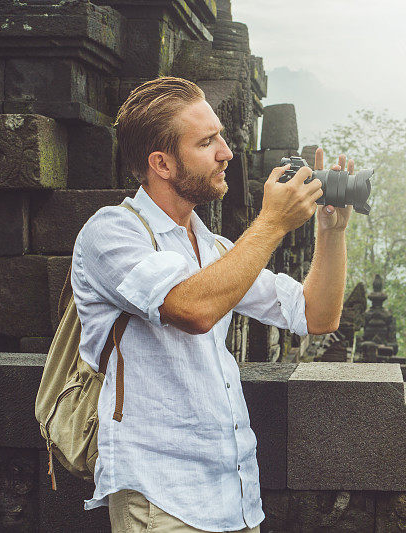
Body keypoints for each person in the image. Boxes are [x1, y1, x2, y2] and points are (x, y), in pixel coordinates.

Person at [73, 76, 352, 532]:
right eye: (207, 142)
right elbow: (192, 310)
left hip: (235, 495)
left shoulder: (217, 249)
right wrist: (270, 222)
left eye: (222, 136)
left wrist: (331, 232)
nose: (227, 152)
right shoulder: (111, 233)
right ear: (161, 164)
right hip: (161, 500)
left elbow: (315, 314)